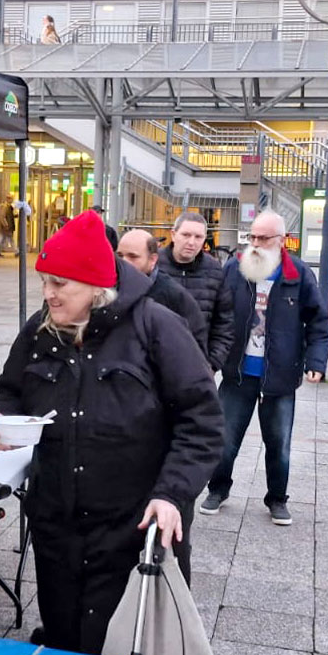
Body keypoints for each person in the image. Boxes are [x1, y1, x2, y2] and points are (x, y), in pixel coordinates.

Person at [0, 211, 221, 655]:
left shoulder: (156, 327)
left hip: (129, 528)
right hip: (57, 523)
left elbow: (202, 420)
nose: (49, 294)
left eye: (60, 284)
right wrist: (3, 419)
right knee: (65, 645)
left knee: (124, 654)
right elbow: (9, 389)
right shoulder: (41, 329)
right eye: (45, 282)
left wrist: (171, 494)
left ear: (97, 287)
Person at [202, 210, 328, 527]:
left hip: (280, 374)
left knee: (279, 444)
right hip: (237, 372)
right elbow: (217, 314)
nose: (256, 243)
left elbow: (318, 322)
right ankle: (217, 489)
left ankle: (277, 499)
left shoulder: (298, 273)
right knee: (225, 439)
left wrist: (316, 362)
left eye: (263, 238)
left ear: (281, 240)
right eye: (253, 237)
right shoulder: (235, 268)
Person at [114, 228, 209, 583]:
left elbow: (197, 353)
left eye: (132, 257)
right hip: (131, 436)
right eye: (119, 255)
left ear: (153, 260)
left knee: (173, 532)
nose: (123, 263)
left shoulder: (171, 298)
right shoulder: (113, 294)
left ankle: (175, 603)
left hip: (167, 430)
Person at [158, 210, 235, 372]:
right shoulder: (153, 266)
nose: (191, 242)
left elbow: (224, 324)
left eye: (198, 237)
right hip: (155, 364)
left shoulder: (214, 271)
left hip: (197, 367)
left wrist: (212, 363)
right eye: (186, 235)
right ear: (173, 234)